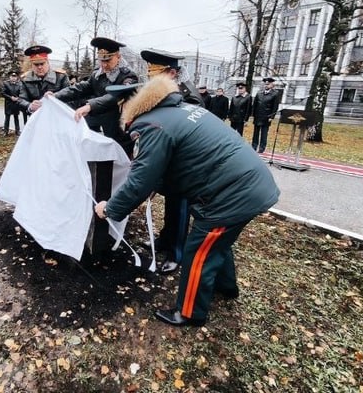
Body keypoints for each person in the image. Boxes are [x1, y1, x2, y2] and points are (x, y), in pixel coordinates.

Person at [94, 74, 279, 327]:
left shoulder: (150, 125)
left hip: (230, 194)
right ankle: (226, 287)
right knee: (217, 243)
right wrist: (153, 185)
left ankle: (190, 312)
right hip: (249, 185)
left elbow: (139, 179)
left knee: (199, 251)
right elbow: (176, 162)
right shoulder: (182, 110)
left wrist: (110, 209)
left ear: (128, 109)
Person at [139, 49, 204, 274]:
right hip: (170, 163)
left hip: (185, 166)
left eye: (156, 74)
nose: (151, 80)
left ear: (172, 73)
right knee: (170, 207)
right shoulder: (167, 92)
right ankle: (165, 241)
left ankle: (177, 254)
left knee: (181, 210)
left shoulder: (189, 96)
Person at [54, 37, 138, 152]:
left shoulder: (128, 77)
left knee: (116, 166)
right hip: (96, 130)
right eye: (101, 60)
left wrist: (90, 106)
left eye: (108, 60)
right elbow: (81, 88)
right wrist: (56, 96)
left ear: (118, 57)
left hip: (117, 133)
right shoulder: (97, 73)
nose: (104, 65)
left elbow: (114, 96)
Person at [17, 45, 69, 114]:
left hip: (58, 116)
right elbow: (21, 100)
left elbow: (70, 97)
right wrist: (30, 106)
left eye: (42, 64)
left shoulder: (61, 76)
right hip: (36, 118)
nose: (39, 67)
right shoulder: (25, 79)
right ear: (31, 65)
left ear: (47, 63)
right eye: (36, 64)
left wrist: (56, 97)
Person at [252, 77, 280, 153]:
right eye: (265, 84)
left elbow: (275, 106)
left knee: (264, 133)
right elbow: (255, 104)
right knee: (255, 133)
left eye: (268, 84)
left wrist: (272, 116)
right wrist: (253, 114)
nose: (266, 85)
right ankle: (254, 146)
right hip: (258, 115)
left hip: (266, 116)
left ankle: (262, 147)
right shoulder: (259, 93)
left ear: (272, 85)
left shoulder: (275, 94)